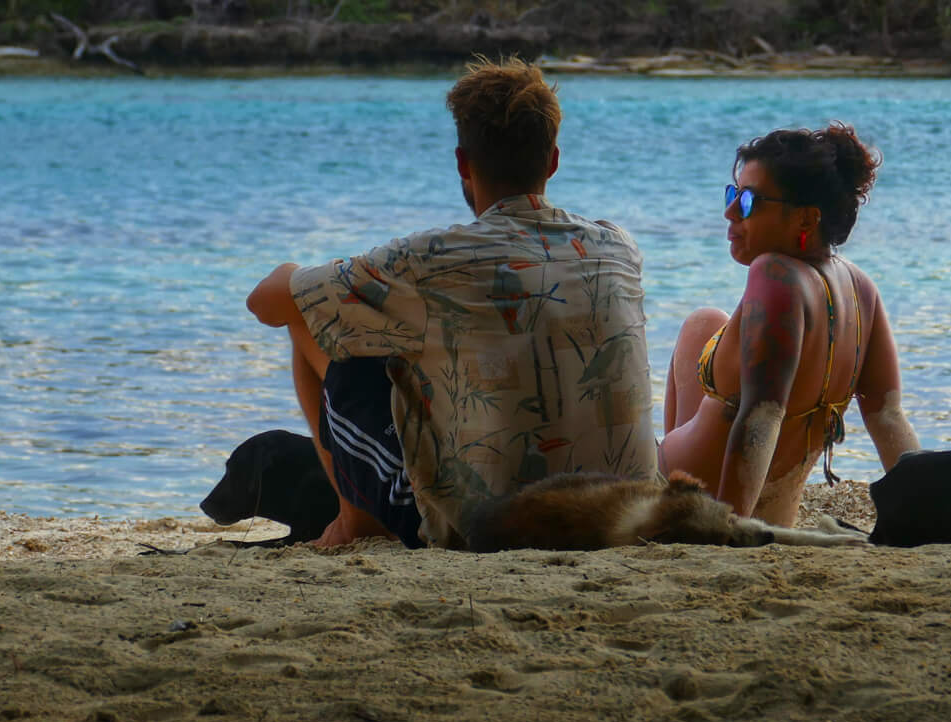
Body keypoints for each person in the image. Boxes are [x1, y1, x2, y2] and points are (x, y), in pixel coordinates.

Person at [246, 57, 657, 549]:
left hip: (486, 528)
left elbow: (265, 304)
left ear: (463, 163)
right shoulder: (618, 246)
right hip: (626, 516)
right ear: (553, 160)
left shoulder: (428, 260)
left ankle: (350, 524)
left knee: (319, 325)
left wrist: (313, 275)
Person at [659, 123, 920, 527]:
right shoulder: (861, 288)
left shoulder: (775, 274)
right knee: (704, 323)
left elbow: (764, 414)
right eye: (732, 194)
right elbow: (887, 417)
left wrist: (729, 528)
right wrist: (928, 507)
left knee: (702, 328)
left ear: (805, 219)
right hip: (773, 508)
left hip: (704, 507)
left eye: (748, 201)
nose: (729, 212)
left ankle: (677, 486)